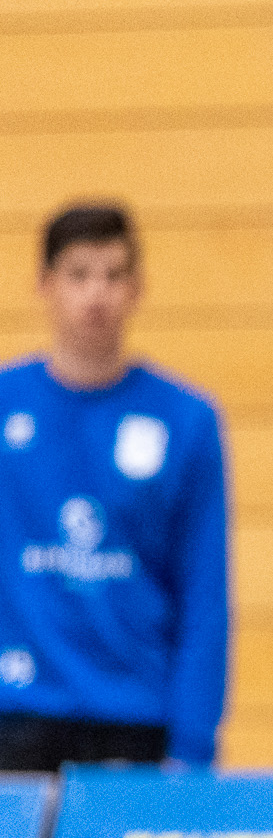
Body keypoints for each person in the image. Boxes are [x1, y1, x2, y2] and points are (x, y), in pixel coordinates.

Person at [0, 204, 231, 770]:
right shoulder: (6, 405)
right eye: (78, 275)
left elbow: (204, 594)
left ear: (137, 288)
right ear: (45, 286)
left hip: (134, 724)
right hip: (17, 714)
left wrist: (193, 747)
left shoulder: (187, 420)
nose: (95, 294)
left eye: (113, 275)